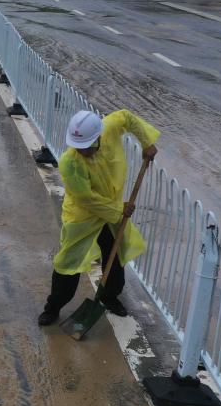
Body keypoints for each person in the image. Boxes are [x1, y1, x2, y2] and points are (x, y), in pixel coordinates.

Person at [38, 109, 159, 326]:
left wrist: (146, 142)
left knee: (114, 254)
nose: (82, 151)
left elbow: (128, 117)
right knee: (68, 262)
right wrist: (118, 209)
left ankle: (109, 296)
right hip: (83, 215)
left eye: (86, 146)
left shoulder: (109, 127)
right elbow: (86, 198)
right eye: (78, 146)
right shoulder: (70, 162)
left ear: (98, 138)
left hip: (113, 209)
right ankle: (53, 306)